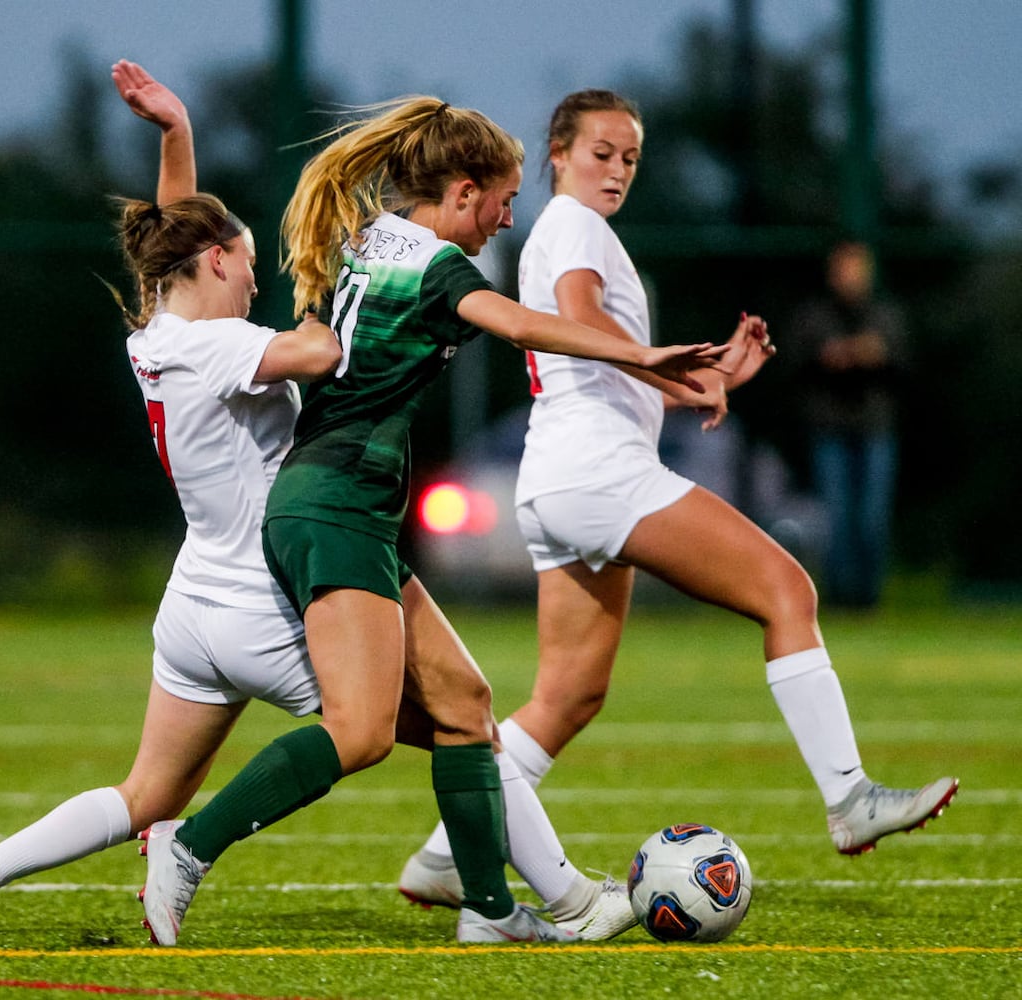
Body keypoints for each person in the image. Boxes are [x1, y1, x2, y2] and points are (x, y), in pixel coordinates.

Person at [138, 95, 731, 946]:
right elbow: (522, 323)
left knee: (464, 703)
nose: (507, 218)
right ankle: (188, 849)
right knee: (359, 732)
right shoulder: (443, 270)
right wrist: (641, 354)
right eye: (502, 199)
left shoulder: (372, 233)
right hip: (336, 503)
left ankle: (491, 914)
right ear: (460, 193)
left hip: (339, 504)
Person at [398, 91, 957, 910]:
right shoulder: (577, 228)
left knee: (567, 696)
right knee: (787, 590)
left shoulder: (559, 233)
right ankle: (849, 799)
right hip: (599, 472)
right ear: (557, 153)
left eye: (629, 157)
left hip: (556, 478)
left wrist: (707, 378)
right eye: (601, 152)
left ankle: (448, 854)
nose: (617, 169)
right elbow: (587, 321)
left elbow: (603, 370)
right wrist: (673, 369)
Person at [0, 60, 341, 934]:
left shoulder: (161, 332)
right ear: (217, 258)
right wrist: (349, 285)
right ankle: (532, 900)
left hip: (194, 600)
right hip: (263, 604)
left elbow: (177, 239)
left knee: (143, 792)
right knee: (449, 721)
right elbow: (319, 356)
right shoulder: (222, 345)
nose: (253, 276)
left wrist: (175, 132)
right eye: (244, 260)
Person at [789, 240, 907, 609]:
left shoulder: (885, 315)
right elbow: (794, 365)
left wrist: (876, 355)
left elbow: (906, 366)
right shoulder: (814, 317)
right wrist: (828, 357)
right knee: (837, 518)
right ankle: (839, 599)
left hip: (875, 429)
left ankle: (868, 600)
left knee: (872, 517)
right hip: (829, 428)